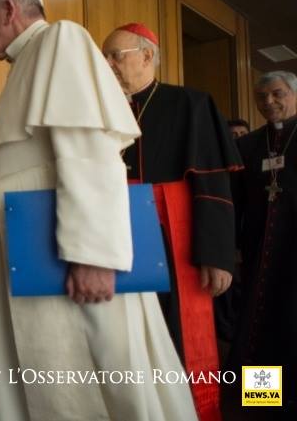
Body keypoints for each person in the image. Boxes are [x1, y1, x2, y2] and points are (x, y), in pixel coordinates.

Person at [0, 0, 197, 421]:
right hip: (27, 252)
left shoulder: (60, 39)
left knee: (97, 382)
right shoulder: (26, 61)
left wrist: (93, 255)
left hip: (70, 256)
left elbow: (89, 149)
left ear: (10, 10)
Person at [102, 22, 241, 419]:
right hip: (114, 235)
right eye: (105, 56)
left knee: (175, 332)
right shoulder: (101, 108)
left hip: (172, 236)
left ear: (147, 56)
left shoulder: (191, 104)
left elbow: (212, 185)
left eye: (117, 55)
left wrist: (216, 254)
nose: (108, 63)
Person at [230, 71, 297, 413]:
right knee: (259, 327)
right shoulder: (247, 144)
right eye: (262, 97)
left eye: (277, 94)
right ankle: (262, 402)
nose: (269, 102)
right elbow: (235, 201)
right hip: (260, 251)